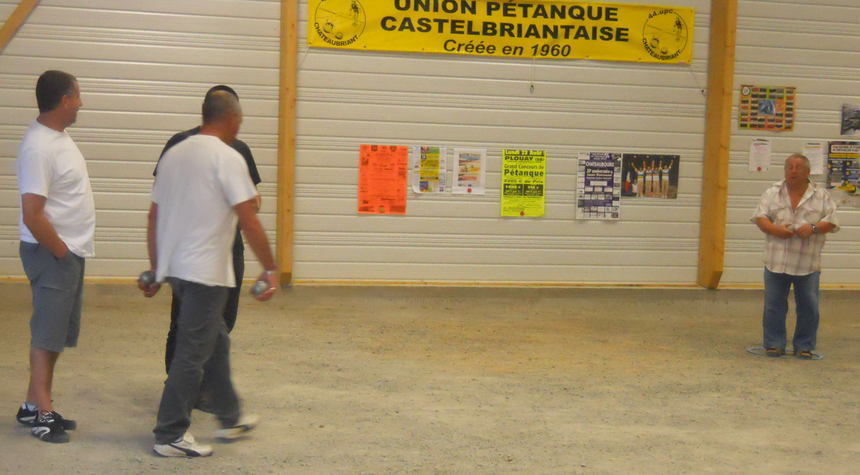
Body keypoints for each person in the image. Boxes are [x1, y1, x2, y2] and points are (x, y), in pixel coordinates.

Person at [140, 90, 278, 457]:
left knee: (216, 340)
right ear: (231, 119)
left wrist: (156, 267)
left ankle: (230, 416)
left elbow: (153, 215)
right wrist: (272, 267)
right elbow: (249, 220)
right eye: (240, 121)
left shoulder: (174, 153)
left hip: (179, 270)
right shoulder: (228, 157)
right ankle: (169, 433)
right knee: (192, 352)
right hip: (205, 272)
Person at [155, 85, 261, 374]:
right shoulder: (180, 144)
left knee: (224, 320)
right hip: (189, 250)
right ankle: (177, 381)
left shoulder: (239, 150)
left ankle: (202, 381)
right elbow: (161, 199)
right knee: (184, 320)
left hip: (228, 249)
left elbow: (253, 200)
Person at [15, 70, 94, 443]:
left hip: (68, 252)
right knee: (47, 336)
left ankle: (33, 404)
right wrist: (61, 252)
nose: (80, 103)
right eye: (77, 96)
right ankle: (44, 414)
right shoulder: (38, 146)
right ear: (64, 101)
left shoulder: (58, 138)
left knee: (57, 335)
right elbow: (33, 213)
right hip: (52, 253)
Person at [752, 154, 839, 359]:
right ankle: (774, 344)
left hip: (807, 263)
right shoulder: (772, 192)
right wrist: (775, 230)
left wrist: (814, 228)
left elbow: (832, 221)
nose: (793, 171)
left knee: (809, 306)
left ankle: (804, 346)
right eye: (789, 167)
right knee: (773, 305)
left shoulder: (821, 195)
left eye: (798, 167)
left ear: (808, 172)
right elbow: (760, 217)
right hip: (776, 261)